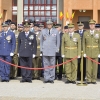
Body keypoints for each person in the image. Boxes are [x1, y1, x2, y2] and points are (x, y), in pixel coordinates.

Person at [83, 19, 100, 84]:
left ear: (95, 25)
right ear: (89, 25)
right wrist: (84, 52)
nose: (92, 26)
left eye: (93, 25)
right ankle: (89, 79)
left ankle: (94, 79)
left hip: (95, 52)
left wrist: (99, 53)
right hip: (88, 52)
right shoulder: (86, 33)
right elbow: (84, 43)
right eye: (90, 25)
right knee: (88, 67)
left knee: (95, 67)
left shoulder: (98, 33)